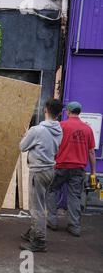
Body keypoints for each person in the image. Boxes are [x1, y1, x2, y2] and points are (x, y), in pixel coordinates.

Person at [46, 101, 96, 237]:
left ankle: (52, 221)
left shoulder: (61, 126)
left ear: (68, 112)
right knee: (74, 196)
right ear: (79, 112)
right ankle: (74, 226)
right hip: (79, 168)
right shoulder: (88, 129)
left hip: (61, 166)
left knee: (51, 190)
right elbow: (91, 152)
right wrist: (93, 172)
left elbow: (52, 145)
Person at [19, 99, 63, 252]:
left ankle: (39, 241)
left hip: (38, 171)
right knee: (41, 203)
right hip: (50, 170)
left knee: (36, 207)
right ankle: (33, 231)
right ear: (59, 114)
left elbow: (22, 147)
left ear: (45, 110)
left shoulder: (37, 130)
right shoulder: (59, 129)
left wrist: (27, 135)